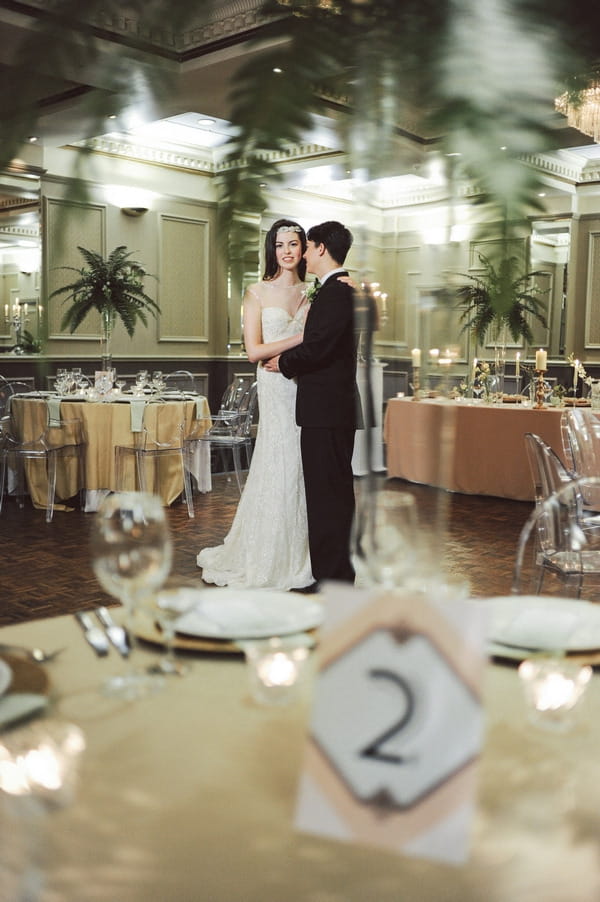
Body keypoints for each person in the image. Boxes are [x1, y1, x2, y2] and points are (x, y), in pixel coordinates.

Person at [197, 218, 314, 590]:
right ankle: (267, 551)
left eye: (293, 244)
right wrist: (299, 337)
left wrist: (303, 342)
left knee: (302, 464)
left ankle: (306, 550)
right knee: (277, 458)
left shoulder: (314, 292)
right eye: (280, 245)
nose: (287, 251)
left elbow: (321, 342)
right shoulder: (257, 293)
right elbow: (254, 352)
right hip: (275, 384)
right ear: (271, 250)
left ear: (304, 248)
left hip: (305, 384)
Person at [264, 220, 358, 586]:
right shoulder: (338, 289)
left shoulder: (336, 292)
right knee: (332, 493)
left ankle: (332, 577)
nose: (299, 253)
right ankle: (335, 572)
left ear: (319, 249)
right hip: (330, 409)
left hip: (326, 410)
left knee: (327, 497)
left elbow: (320, 346)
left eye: (305, 246)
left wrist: (283, 363)